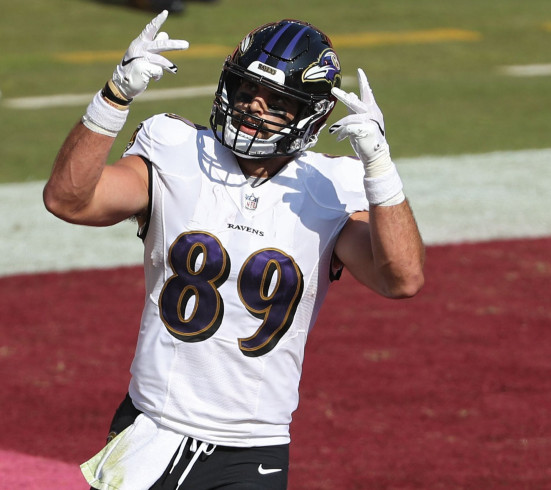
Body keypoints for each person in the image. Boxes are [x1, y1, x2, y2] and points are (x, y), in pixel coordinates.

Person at [43, 11, 424, 490]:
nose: (252, 109)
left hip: (252, 448)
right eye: (247, 92)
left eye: (276, 101)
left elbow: (402, 279)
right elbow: (68, 200)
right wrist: (112, 98)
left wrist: (381, 170)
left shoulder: (331, 184)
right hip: (149, 429)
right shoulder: (177, 150)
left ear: (310, 112)